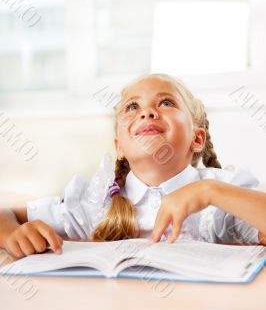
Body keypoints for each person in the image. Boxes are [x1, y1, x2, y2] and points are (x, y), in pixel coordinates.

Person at [0, 73, 266, 259]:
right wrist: (12, 234)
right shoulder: (94, 203)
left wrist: (209, 192)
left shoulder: (223, 197)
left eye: (166, 102)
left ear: (197, 139)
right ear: (120, 147)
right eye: (132, 106)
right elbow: (5, 213)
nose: (147, 112)